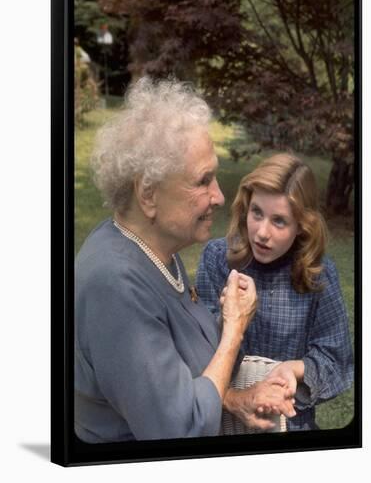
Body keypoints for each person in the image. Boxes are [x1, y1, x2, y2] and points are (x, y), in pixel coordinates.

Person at [75, 78, 295, 443]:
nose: (220, 196)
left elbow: (174, 376)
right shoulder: (113, 285)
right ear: (148, 193)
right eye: (203, 180)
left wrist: (232, 398)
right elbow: (180, 428)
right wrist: (235, 328)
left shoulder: (157, 252)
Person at [196, 153, 354, 431]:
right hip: (223, 420)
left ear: (301, 226)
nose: (262, 233)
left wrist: (294, 369)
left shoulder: (317, 274)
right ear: (246, 207)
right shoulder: (218, 259)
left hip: (288, 424)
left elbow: (336, 360)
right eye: (257, 213)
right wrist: (227, 321)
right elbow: (196, 350)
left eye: (279, 221)